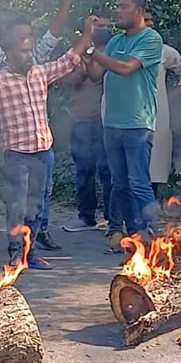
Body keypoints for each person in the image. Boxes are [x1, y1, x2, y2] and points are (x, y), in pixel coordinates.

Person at [0, 17, 95, 269]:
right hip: (17, 155)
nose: (28, 55)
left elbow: (69, 60)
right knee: (17, 206)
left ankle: (29, 252)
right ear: (10, 52)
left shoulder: (40, 73)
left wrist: (87, 32)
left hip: (42, 151)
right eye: (23, 51)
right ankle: (16, 252)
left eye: (29, 50)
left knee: (37, 204)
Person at [0, 0, 75, 253]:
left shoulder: (37, 59)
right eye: (20, 38)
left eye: (28, 36)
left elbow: (54, 34)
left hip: (41, 141)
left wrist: (66, 0)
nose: (26, 43)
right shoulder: (0, 62)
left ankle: (38, 234)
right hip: (17, 143)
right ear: (9, 43)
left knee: (42, 192)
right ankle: (17, 246)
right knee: (19, 198)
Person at [86, 0, 163, 238]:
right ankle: (132, 236)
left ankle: (152, 234)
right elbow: (96, 76)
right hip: (112, 124)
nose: (118, 11)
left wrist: (91, 53)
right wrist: (87, 51)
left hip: (138, 124)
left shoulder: (151, 39)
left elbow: (126, 68)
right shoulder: (115, 42)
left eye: (124, 7)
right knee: (119, 184)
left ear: (138, 11)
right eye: (117, 6)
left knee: (139, 182)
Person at [61, 12, 115, 233]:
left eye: (105, 26)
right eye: (97, 25)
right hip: (80, 120)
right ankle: (86, 217)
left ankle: (113, 219)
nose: (102, 29)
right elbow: (65, 81)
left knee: (107, 171)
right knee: (83, 170)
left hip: (106, 121)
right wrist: (81, 69)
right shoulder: (74, 54)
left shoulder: (113, 53)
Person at [143, 13, 181, 191]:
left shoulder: (163, 50)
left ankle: (148, 216)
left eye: (151, 20)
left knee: (153, 173)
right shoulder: (120, 49)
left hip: (157, 119)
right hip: (126, 119)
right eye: (144, 19)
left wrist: (173, 94)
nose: (149, 24)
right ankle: (120, 218)